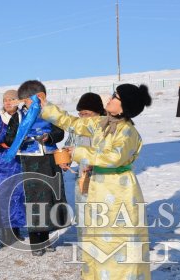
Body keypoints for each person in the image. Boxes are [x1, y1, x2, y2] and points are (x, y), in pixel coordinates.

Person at [40, 84, 152, 280]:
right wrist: (45, 106)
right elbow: (72, 122)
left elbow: (114, 157)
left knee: (118, 242)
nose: (110, 98)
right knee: (97, 239)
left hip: (120, 191)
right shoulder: (101, 123)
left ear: (124, 106)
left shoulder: (128, 132)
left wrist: (78, 153)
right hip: (98, 188)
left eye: (115, 97)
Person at [5, 80, 69, 257]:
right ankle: (36, 242)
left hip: (50, 159)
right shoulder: (17, 118)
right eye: (25, 101)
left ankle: (46, 237)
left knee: (49, 197)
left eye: (30, 100)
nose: (28, 104)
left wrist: (49, 137)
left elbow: (60, 132)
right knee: (35, 200)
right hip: (29, 160)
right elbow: (9, 139)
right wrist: (24, 138)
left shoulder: (49, 113)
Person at [0, 90, 26, 245]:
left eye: (11, 99)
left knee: (18, 194)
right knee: (3, 195)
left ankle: (16, 230)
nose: (8, 102)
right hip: (3, 161)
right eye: (5, 100)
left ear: (18, 101)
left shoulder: (24, 118)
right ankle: (6, 234)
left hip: (20, 160)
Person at [72, 92, 106, 256]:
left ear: (97, 112)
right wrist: (66, 157)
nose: (83, 117)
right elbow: (70, 145)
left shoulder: (108, 128)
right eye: (81, 113)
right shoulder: (79, 128)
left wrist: (97, 163)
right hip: (82, 180)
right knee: (83, 216)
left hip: (103, 181)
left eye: (87, 113)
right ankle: (86, 254)